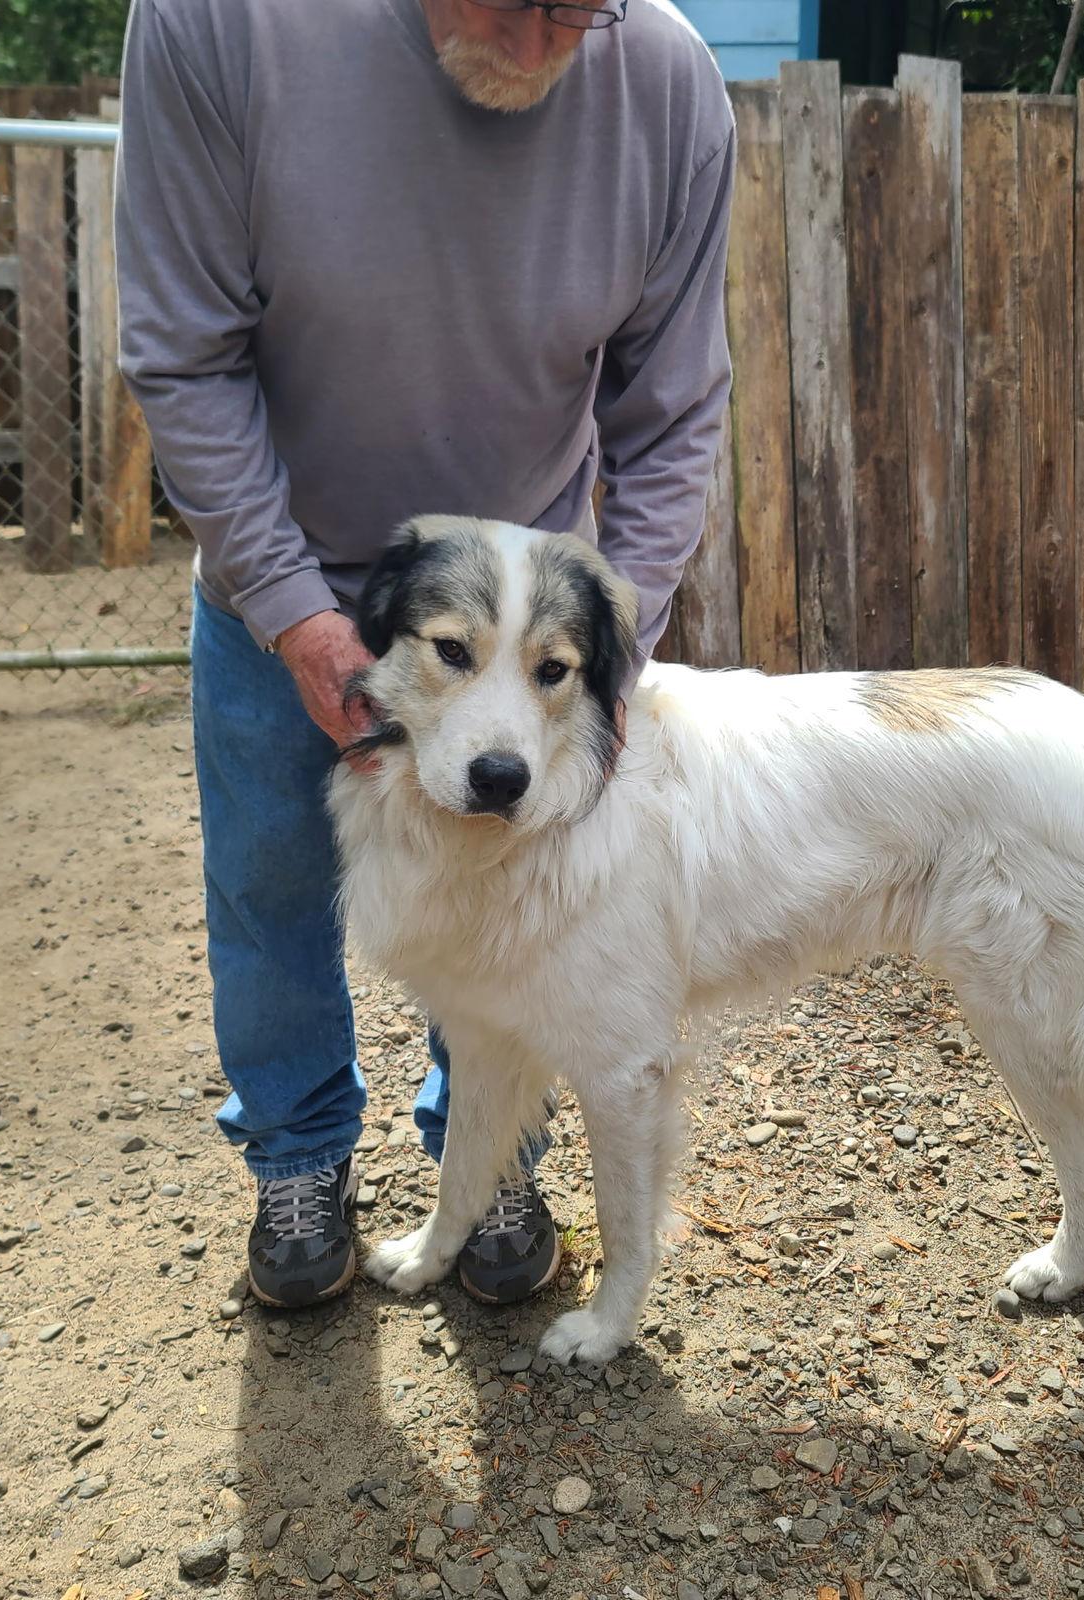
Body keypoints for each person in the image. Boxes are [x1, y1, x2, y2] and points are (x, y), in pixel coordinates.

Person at [115, 0, 734, 1309]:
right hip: (283, 576)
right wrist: (292, 608)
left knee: (524, 906)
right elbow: (184, 356)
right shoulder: (217, 23)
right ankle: (299, 1157)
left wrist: (610, 646)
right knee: (274, 888)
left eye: (585, 6)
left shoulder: (668, 76)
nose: (544, 39)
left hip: (524, 620)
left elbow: (673, 411)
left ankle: (491, 1149)